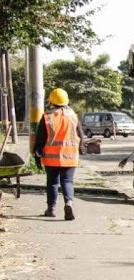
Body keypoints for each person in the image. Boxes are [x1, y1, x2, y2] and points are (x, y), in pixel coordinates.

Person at [33, 88, 85, 221]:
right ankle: (69, 203)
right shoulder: (73, 116)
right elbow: (80, 134)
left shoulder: (47, 117)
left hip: (51, 158)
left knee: (52, 183)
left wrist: (37, 154)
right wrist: (81, 148)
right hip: (70, 157)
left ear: (51, 101)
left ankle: (51, 209)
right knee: (67, 181)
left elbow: (40, 138)